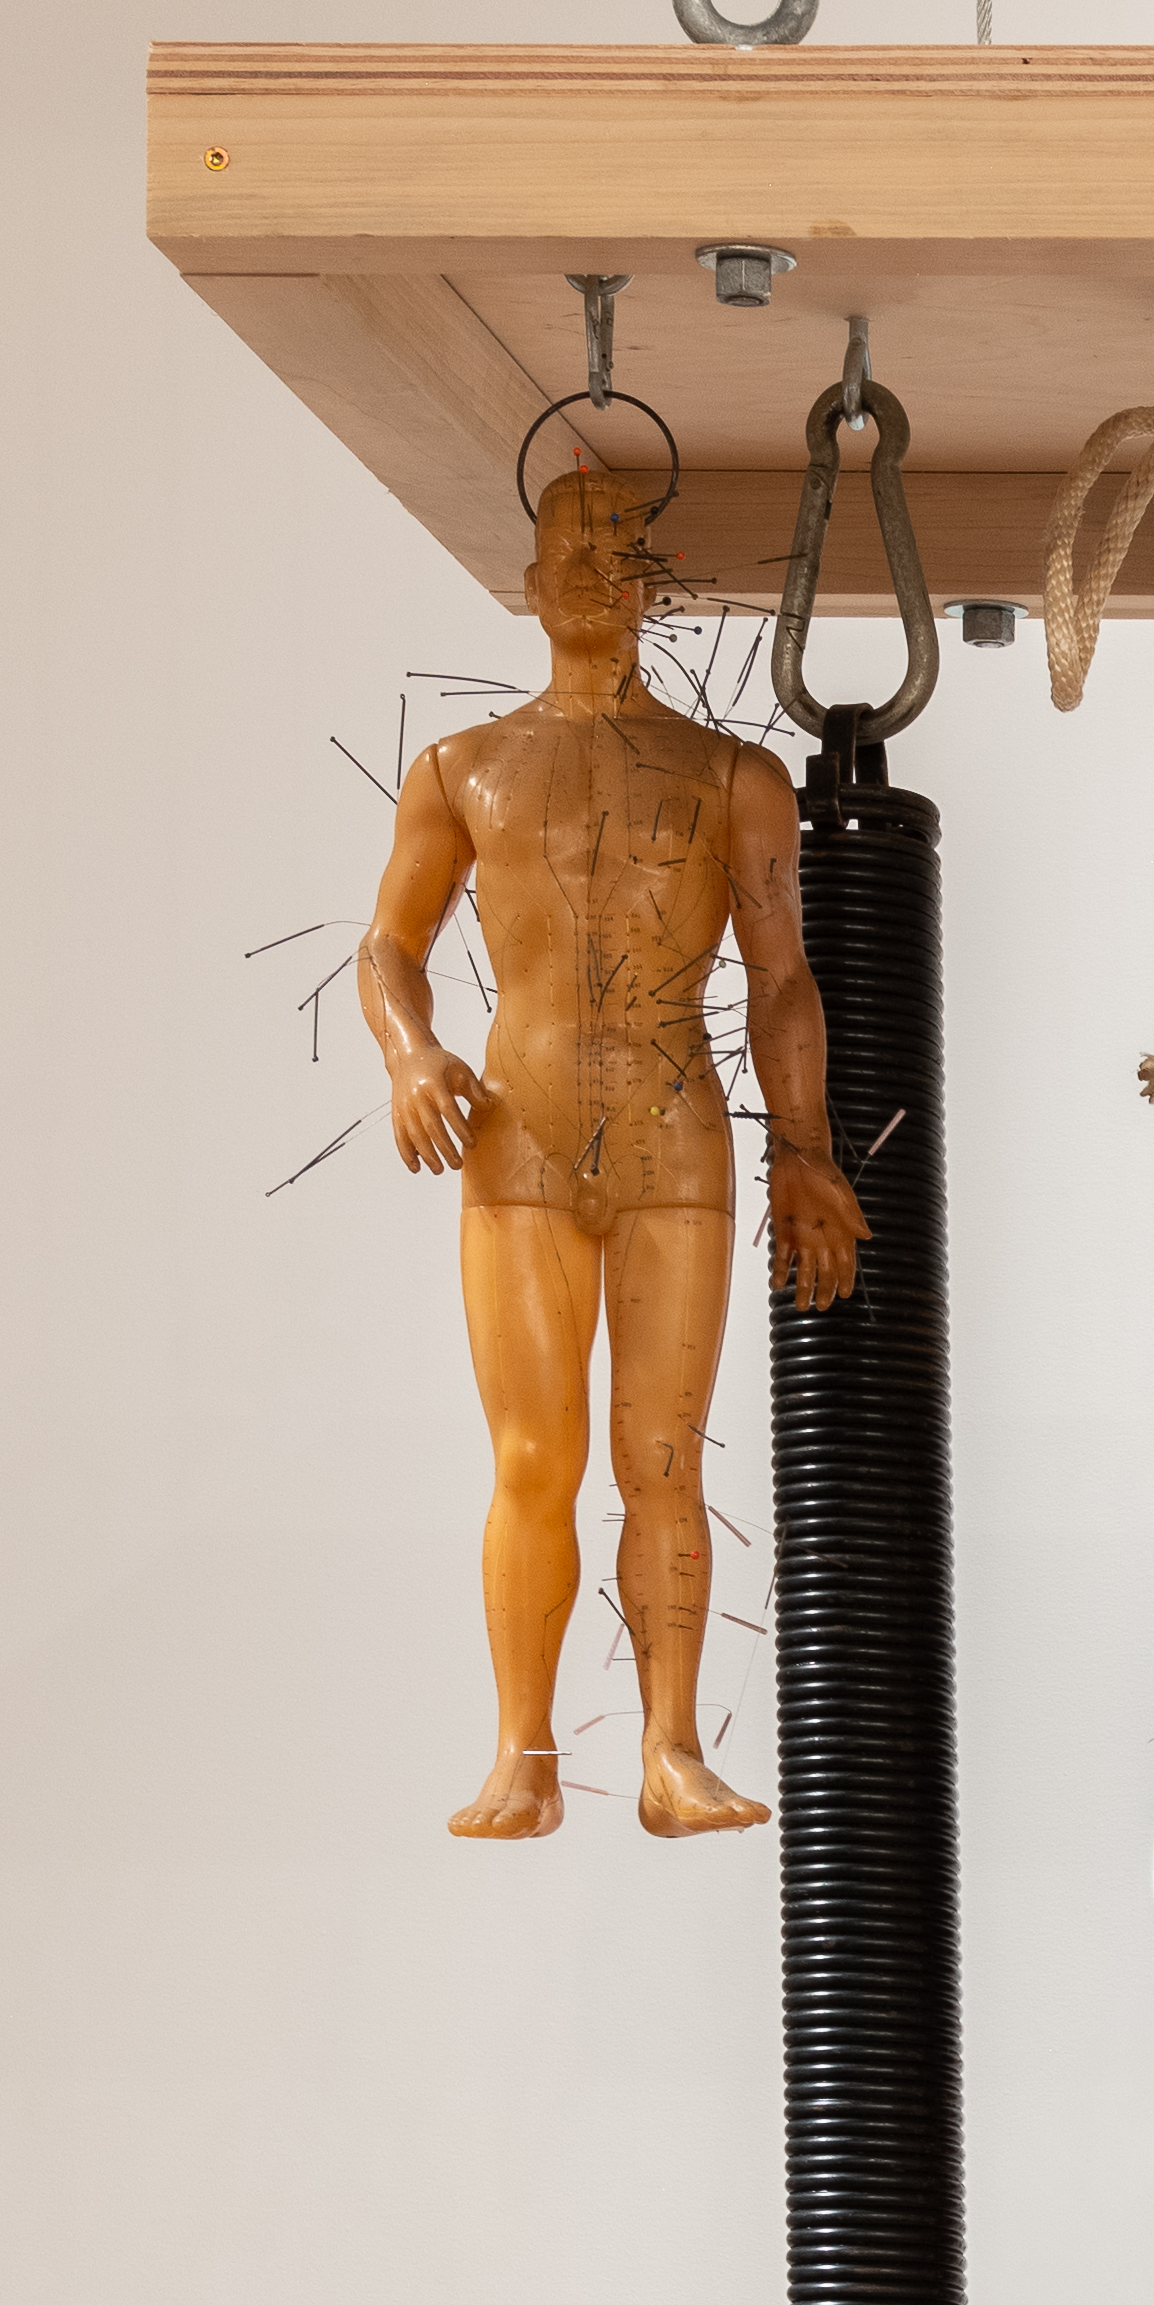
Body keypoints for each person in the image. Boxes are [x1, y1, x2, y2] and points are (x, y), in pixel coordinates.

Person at [355, 448, 860, 1837]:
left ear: (652, 583)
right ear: (528, 584)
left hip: (672, 1139)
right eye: (568, 548)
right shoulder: (462, 768)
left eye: (617, 547)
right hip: (515, 1139)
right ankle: (522, 1755)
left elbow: (782, 976)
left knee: (664, 1458)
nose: (591, 569)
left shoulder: (733, 776)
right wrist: (409, 1054)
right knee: (533, 1458)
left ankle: (669, 1751)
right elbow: (389, 944)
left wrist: (804, 1149)